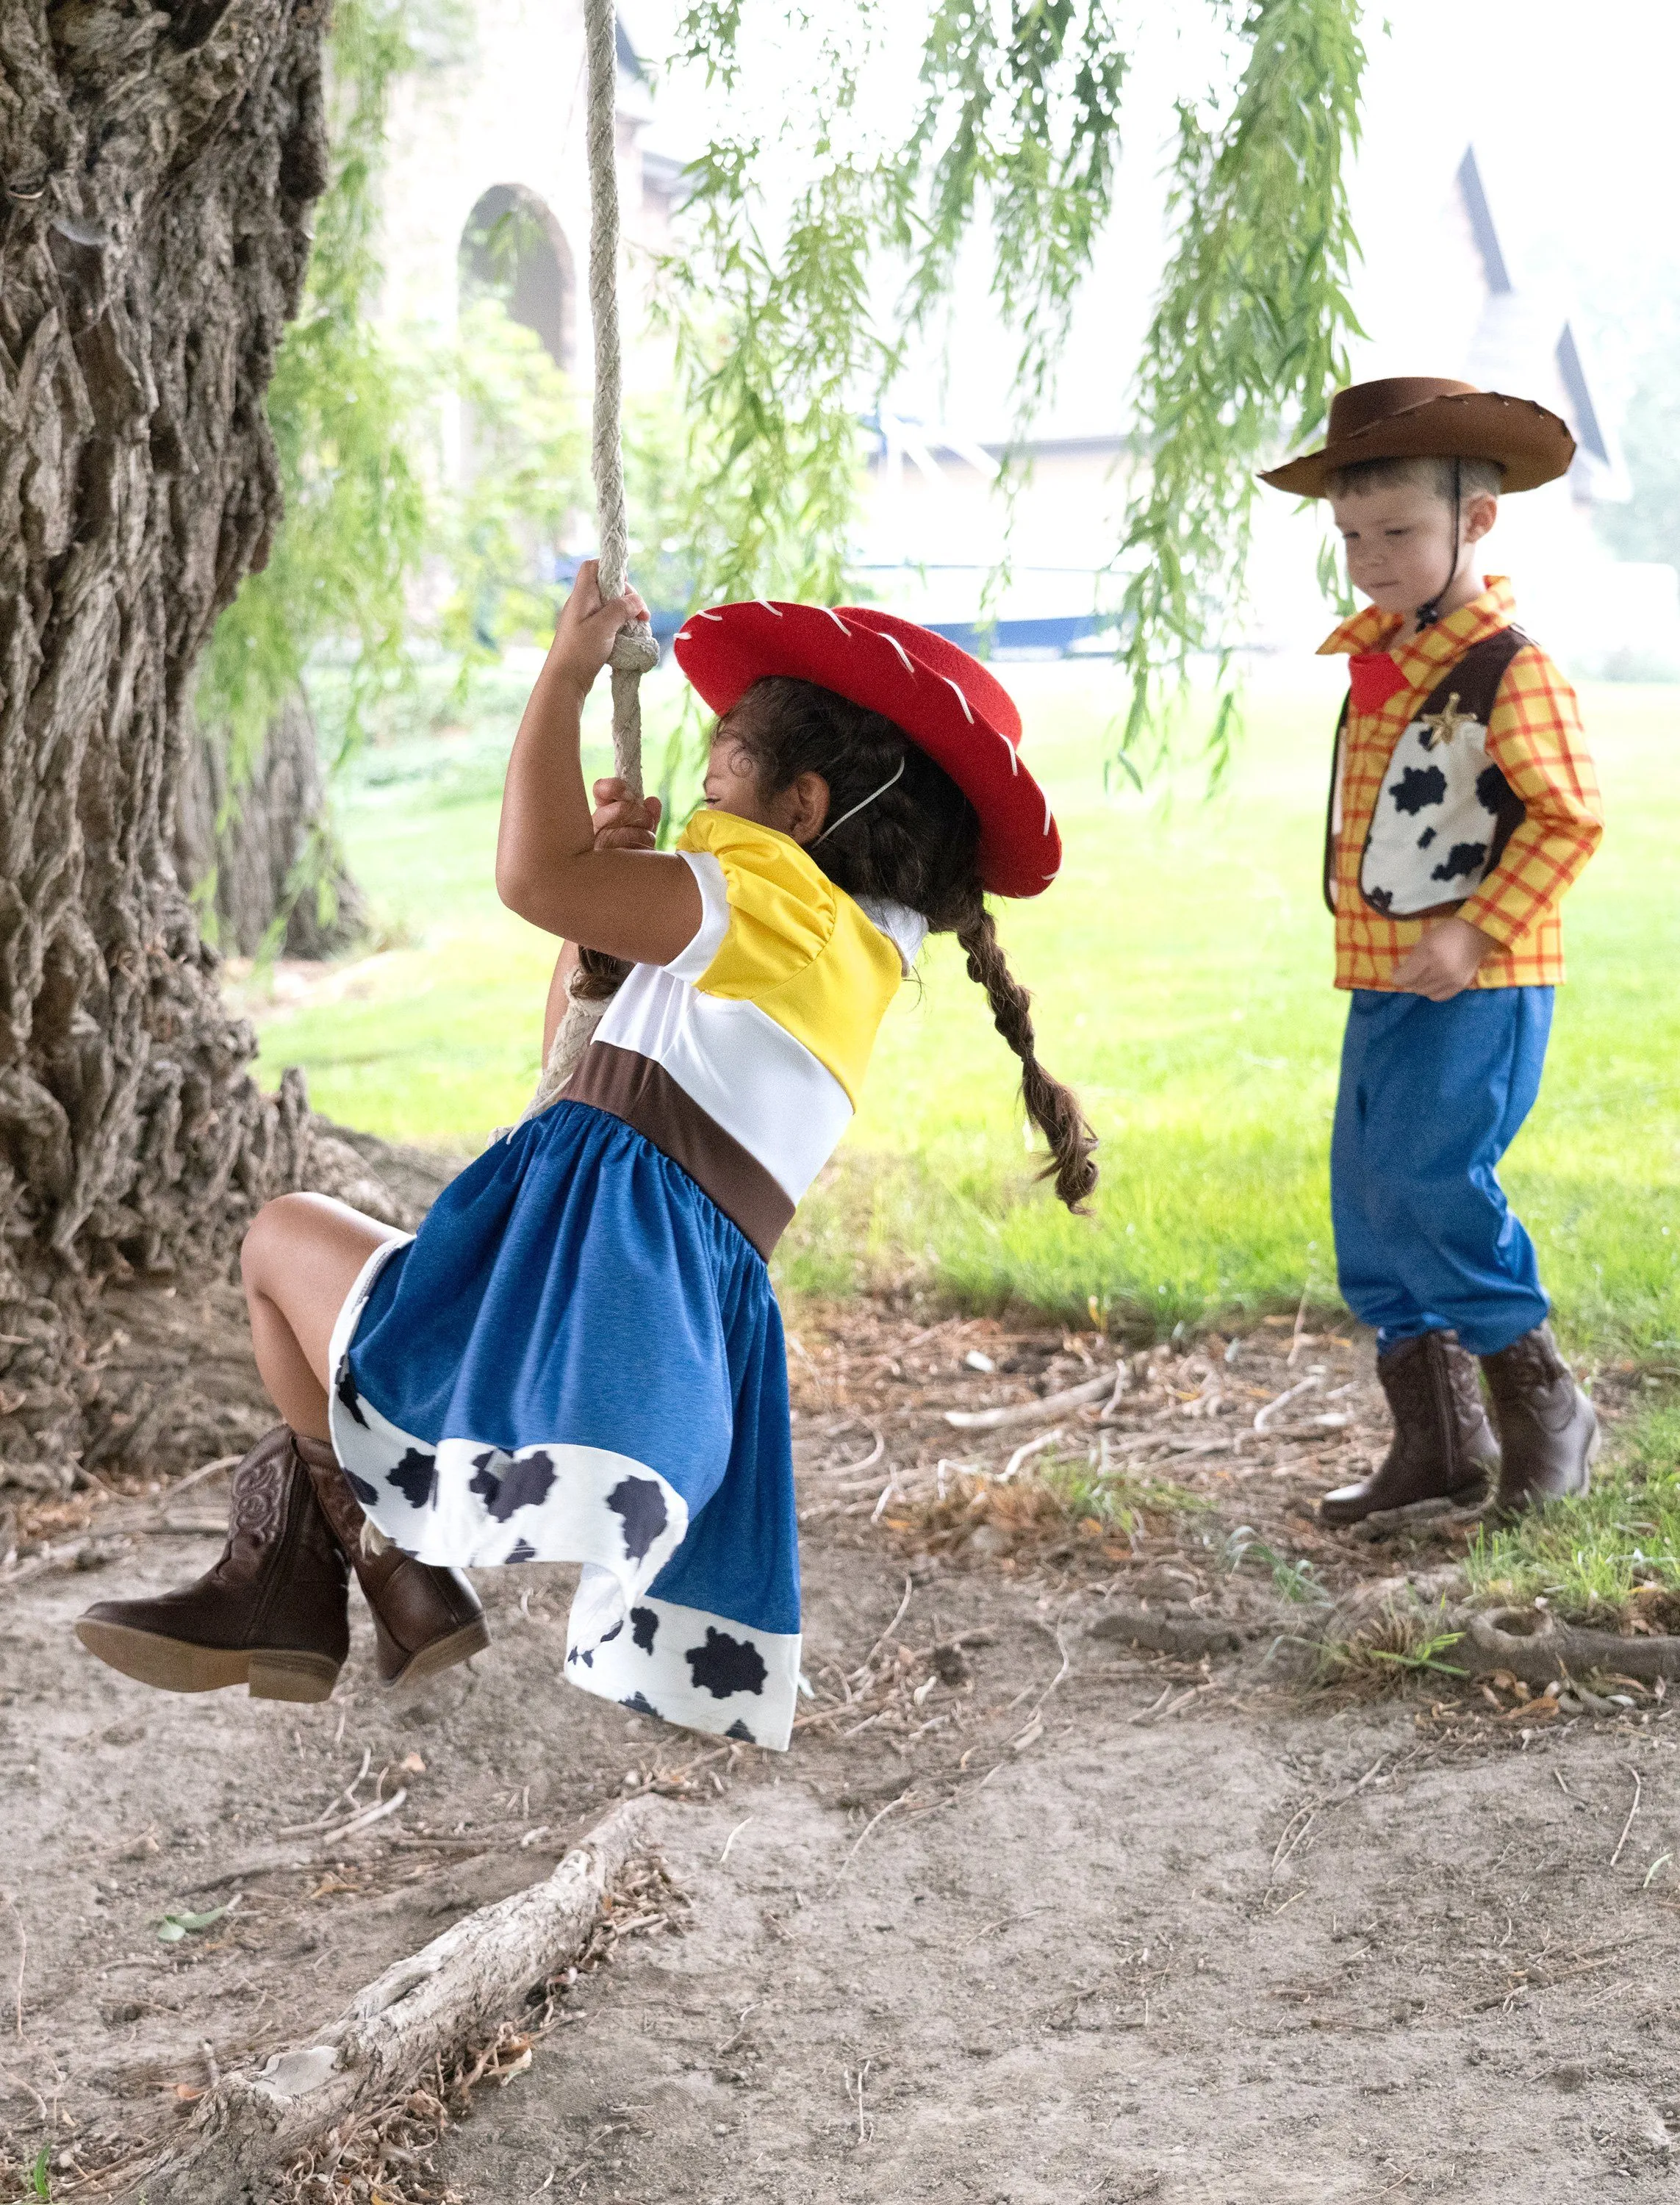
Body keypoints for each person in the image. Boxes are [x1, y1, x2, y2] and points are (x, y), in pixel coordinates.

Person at [76, 567, 1096, 1748]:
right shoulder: (822, 947)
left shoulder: (782, 911)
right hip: (611, 1284)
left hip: (593, 1287)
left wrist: (563, 679)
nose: (699, 784)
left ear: (803, 807)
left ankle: (351, 1574)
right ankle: (356, 1585)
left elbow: (525, 874)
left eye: (721, 767)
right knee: (291, 1247)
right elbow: (566, 1062)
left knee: (277, 1242)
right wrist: (600, 904)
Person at [1259, 377, 1604, 1525]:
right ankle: (1437, 1444)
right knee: (1369, 1200)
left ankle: (1544, 1406)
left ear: (1476, 521)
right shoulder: (1383, 656)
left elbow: (1567, 817)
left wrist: (1474, 927)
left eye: (1396, 532)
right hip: (1381, 978)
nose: (1367, 557)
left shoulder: (1510, 666)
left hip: (1479, 979)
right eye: (1350, 535)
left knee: (1433, 1179)